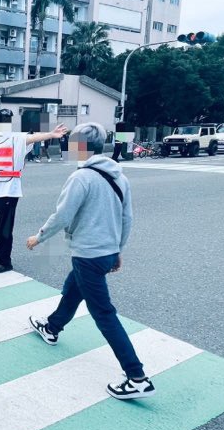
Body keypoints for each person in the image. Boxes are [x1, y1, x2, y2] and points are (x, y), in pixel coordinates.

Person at [26, 122, 155, 400]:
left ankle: (137, 377)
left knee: (104, 313)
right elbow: (127, 218)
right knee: (74, 289)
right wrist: (117, 250)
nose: (68, 148)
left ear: (80, 147)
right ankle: (52, 327)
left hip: (88, 254)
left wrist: (39, 237)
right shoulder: (119, 176)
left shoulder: (81, 177)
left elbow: (63, 215)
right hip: (105, 252)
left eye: (71, 143)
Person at [0, 111, 68, 274]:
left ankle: (4, 261)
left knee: (5, 227)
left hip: (9, 190)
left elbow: (33, 138)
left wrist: (51, 134)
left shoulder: (16, 138)